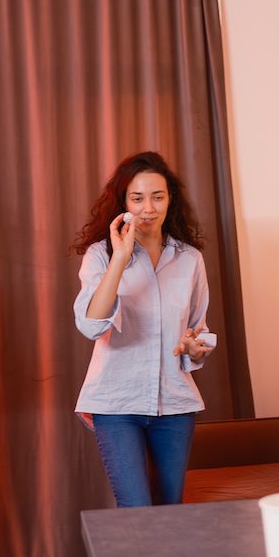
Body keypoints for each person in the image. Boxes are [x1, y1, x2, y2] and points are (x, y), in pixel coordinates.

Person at [72, 151, 215, 508]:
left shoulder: (189, 259)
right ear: (123, 203)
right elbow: (91, 325)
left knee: (169, 509)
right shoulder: (100, 255)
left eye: (157, 197)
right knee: (136, 510)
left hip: (175, 404)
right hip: (116, 404)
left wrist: (194, 347)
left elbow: (197, 329)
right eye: (137, 198)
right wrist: (120, 259)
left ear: (170, 199)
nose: (148, 208)